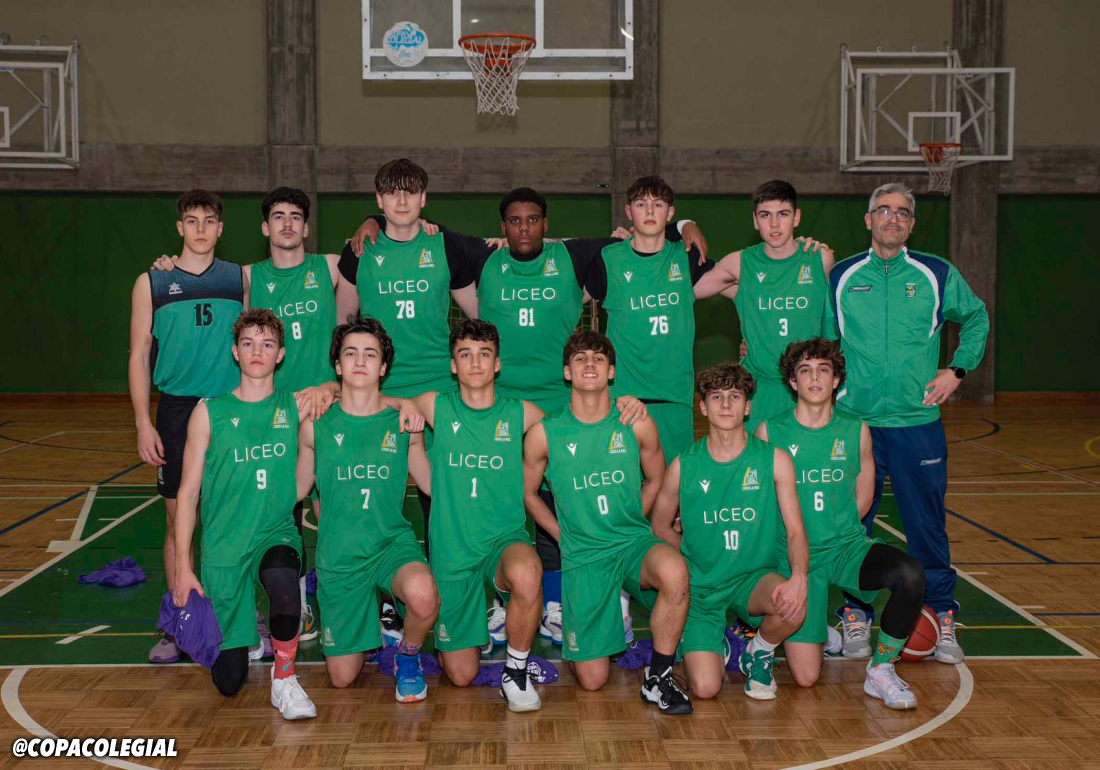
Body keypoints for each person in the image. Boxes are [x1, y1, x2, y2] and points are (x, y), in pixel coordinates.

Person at [827, 183, 989, 664]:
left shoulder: (935, 273)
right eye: (883, 210)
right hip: (854, 424)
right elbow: (820, 340)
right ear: (868, 219)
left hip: (917, 423)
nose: (892, 218)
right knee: (851, 525)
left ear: (912, 224)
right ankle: (855, 613)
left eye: (902, 212)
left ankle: (941, 614)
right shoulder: (841, 276)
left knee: (927, 526)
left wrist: (957, 370)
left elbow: (976, 317)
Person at [523, 331, 693, 715]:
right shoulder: (544, 433)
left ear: (611, 372)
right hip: (584, 553)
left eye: (599, 359)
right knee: (592, 680)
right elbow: (528, 494)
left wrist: (632, 515)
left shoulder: (636, 423)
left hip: (630, 542)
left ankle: (658, 677)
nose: (590, 364)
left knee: (675, 571)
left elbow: (656, 477)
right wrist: (562, 535)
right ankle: (609, 617)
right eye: (580, 358)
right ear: (567, 372)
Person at [758, 338, 927, 708]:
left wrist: (836, 529)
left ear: (836, 380)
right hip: (794, 558)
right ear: (792, 382)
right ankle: (815, 625)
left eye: (824, 370)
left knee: (910, 575)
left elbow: (864, 497)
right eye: (805, 371)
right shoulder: (770, 432)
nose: (815, 378)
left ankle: (881, 669)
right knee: (806, 678)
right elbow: (759, 505)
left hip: (845, 549)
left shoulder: (856, 429)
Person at [171, 308, 315, 720]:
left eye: (267, 344)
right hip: (224, 546)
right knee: (229, 681)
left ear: (280, 354)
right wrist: (182, 567)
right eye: (248, 343)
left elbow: (353, 394)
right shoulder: (208, 413)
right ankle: (245, 635)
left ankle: (284, 678)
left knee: (284, 583)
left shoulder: (295, 407)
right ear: (235, 351)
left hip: (274, 533)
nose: (257, 351)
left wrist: (325, 389)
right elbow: (188, 493)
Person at [129, 190, 245, 664]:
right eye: (192, 220)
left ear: (221, 228)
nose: (200, 229)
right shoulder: (152, 282)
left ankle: (235, 613)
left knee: (230, 520)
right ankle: (180, 618)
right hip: (176, 411)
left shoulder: (239, 279)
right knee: (178, 520)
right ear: (180, 227)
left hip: (228, 411)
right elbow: (139, 354)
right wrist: (142, 421)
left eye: (209, 220)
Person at [296, 314, 438, 700]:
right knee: (343, 678)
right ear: (338, 365)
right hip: (340, 557)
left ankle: (407, 655)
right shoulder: (314, 425)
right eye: (351, 353)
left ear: (383, 367)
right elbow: (298, 487)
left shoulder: (403, 423)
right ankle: (371, 629)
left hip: (390, 546)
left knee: (424, 594)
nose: (360, 361)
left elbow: (431, 484)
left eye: (370, 354)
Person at [651, 363, 808, 701]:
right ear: (703, 407)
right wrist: (692, 556)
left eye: (735, 397)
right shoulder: (684, 465)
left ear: (747, 406)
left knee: (793, 604)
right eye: (716, 397)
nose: (725, 404)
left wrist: (798, 577)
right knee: (706, 689)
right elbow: (660, 526)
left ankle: (759, 650)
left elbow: (796, 531)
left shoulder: (774, 460)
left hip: (753, 579)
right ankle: (716, 640)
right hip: (702, 589)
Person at [715, 180, 836, 425]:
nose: (774, 224)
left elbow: (835, 323)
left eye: (783, 214)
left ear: (796, 217)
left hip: (805, 386)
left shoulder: (820, 259)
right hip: (756, 387)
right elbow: (687, 286)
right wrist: (682, 227)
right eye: (765, 215)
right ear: (755, 220)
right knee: (753, 450)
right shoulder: (740, 264)